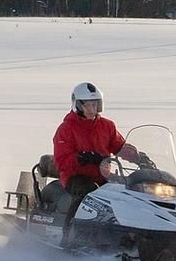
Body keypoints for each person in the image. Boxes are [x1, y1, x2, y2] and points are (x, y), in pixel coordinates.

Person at [50, 81, 144, 225]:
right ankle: (70, 234)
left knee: (130, 190)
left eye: (94, 104)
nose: (91, 109)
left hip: (103, 175)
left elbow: (119, 145)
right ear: (78, 105)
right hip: (75, 177)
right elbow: (61, 160)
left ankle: (134, 229)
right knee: (88, 191)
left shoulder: (107, 125)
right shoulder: (66, 129)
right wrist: (81, 158)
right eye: (87, 105)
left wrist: (138, 158)